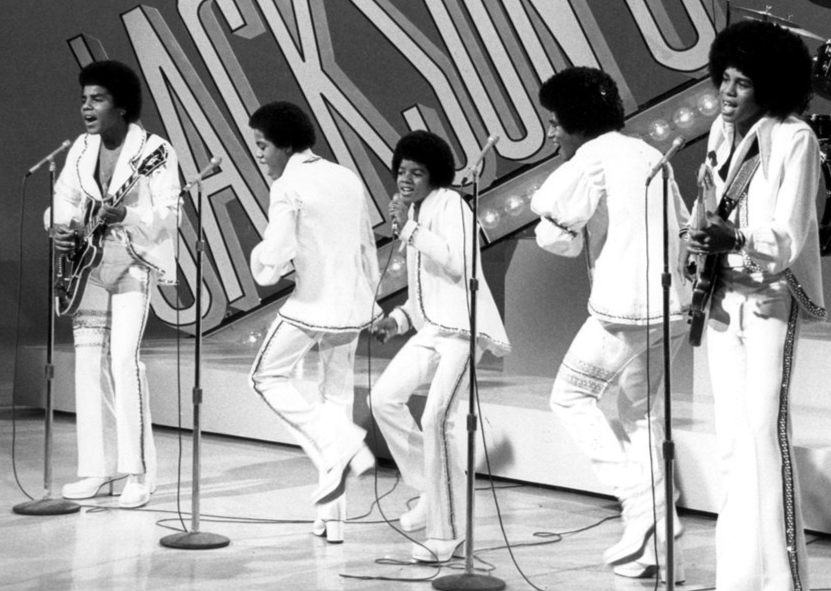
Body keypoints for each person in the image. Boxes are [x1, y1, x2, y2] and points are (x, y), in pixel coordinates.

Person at [530, 67, 691, 580]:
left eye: (555, 122)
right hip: (672, 305)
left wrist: (565, 236)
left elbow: (553, 224)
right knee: (640, 414)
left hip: (626, 308)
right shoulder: (646, 153)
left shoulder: (591, 158)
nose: (552, 133)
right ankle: (661, 550)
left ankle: (640, 503)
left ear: (576, 122)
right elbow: (684, 226)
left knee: (570, 398)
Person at [685, 20, 825, 591]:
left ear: (769, 86)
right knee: (732, 444)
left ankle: (784, 582)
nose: (727, 92)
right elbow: (710, 208)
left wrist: (739, 238)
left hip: (770, 298)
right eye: (724, 78)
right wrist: (694, 238)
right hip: (722, 298)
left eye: (742, 83)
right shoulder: (719, 135)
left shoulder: (795, 138)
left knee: (767, 435)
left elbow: (790, 232)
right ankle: (737, 578)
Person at [370, 131, 510, 563]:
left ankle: (447, 533)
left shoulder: (451, 204)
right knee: (383, 399)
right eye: (402, 171)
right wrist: (398, 320)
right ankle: (430, 489)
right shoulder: (417, 212)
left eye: (417, 172)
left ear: (435, 175)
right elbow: (426, 291)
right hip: (431, 331)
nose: (405, 179)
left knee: (438, 420)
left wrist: (410, 229)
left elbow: (457, 262)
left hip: (463, 332)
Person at [51, 60, 181, 508]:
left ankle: (139, 473)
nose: (87, 107)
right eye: (84, 99)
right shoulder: (82, 148)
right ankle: (99, 469)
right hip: (87, 267)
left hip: (133, 264)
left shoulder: (155, 149)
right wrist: (60, 227)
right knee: (89, 366)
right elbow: (65, 197)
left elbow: (170, 214)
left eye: (98, 99)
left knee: (124, 362)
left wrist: (127, 214)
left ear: (122, 106)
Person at [247, 101, 379, 544]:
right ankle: (333, 518)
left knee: (265, 376)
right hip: (353, 307)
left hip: (312, 305)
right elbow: (366, 245)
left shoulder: (288, 185)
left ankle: (344, 443)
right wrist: (370, 301)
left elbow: (274, 254)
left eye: (263, 145)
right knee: (336, 399)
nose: (260, 155)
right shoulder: (346, 177)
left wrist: (262, 264)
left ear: (285, 145)